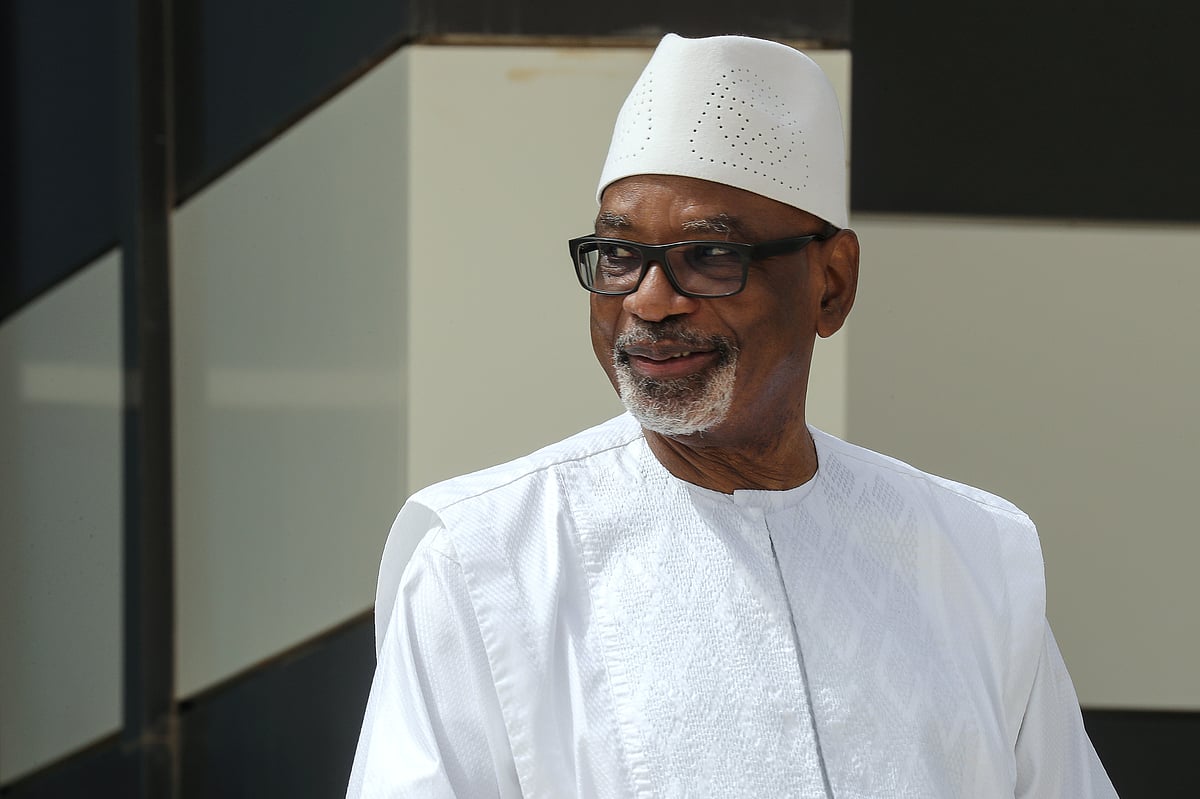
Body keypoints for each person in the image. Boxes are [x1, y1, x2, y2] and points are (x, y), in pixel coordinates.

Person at [347, 33, 1117, 798]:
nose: (649, 300)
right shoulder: (487, 561)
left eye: (710, 258)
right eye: (618, 257)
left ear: (832, 284)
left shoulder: (972, 558)